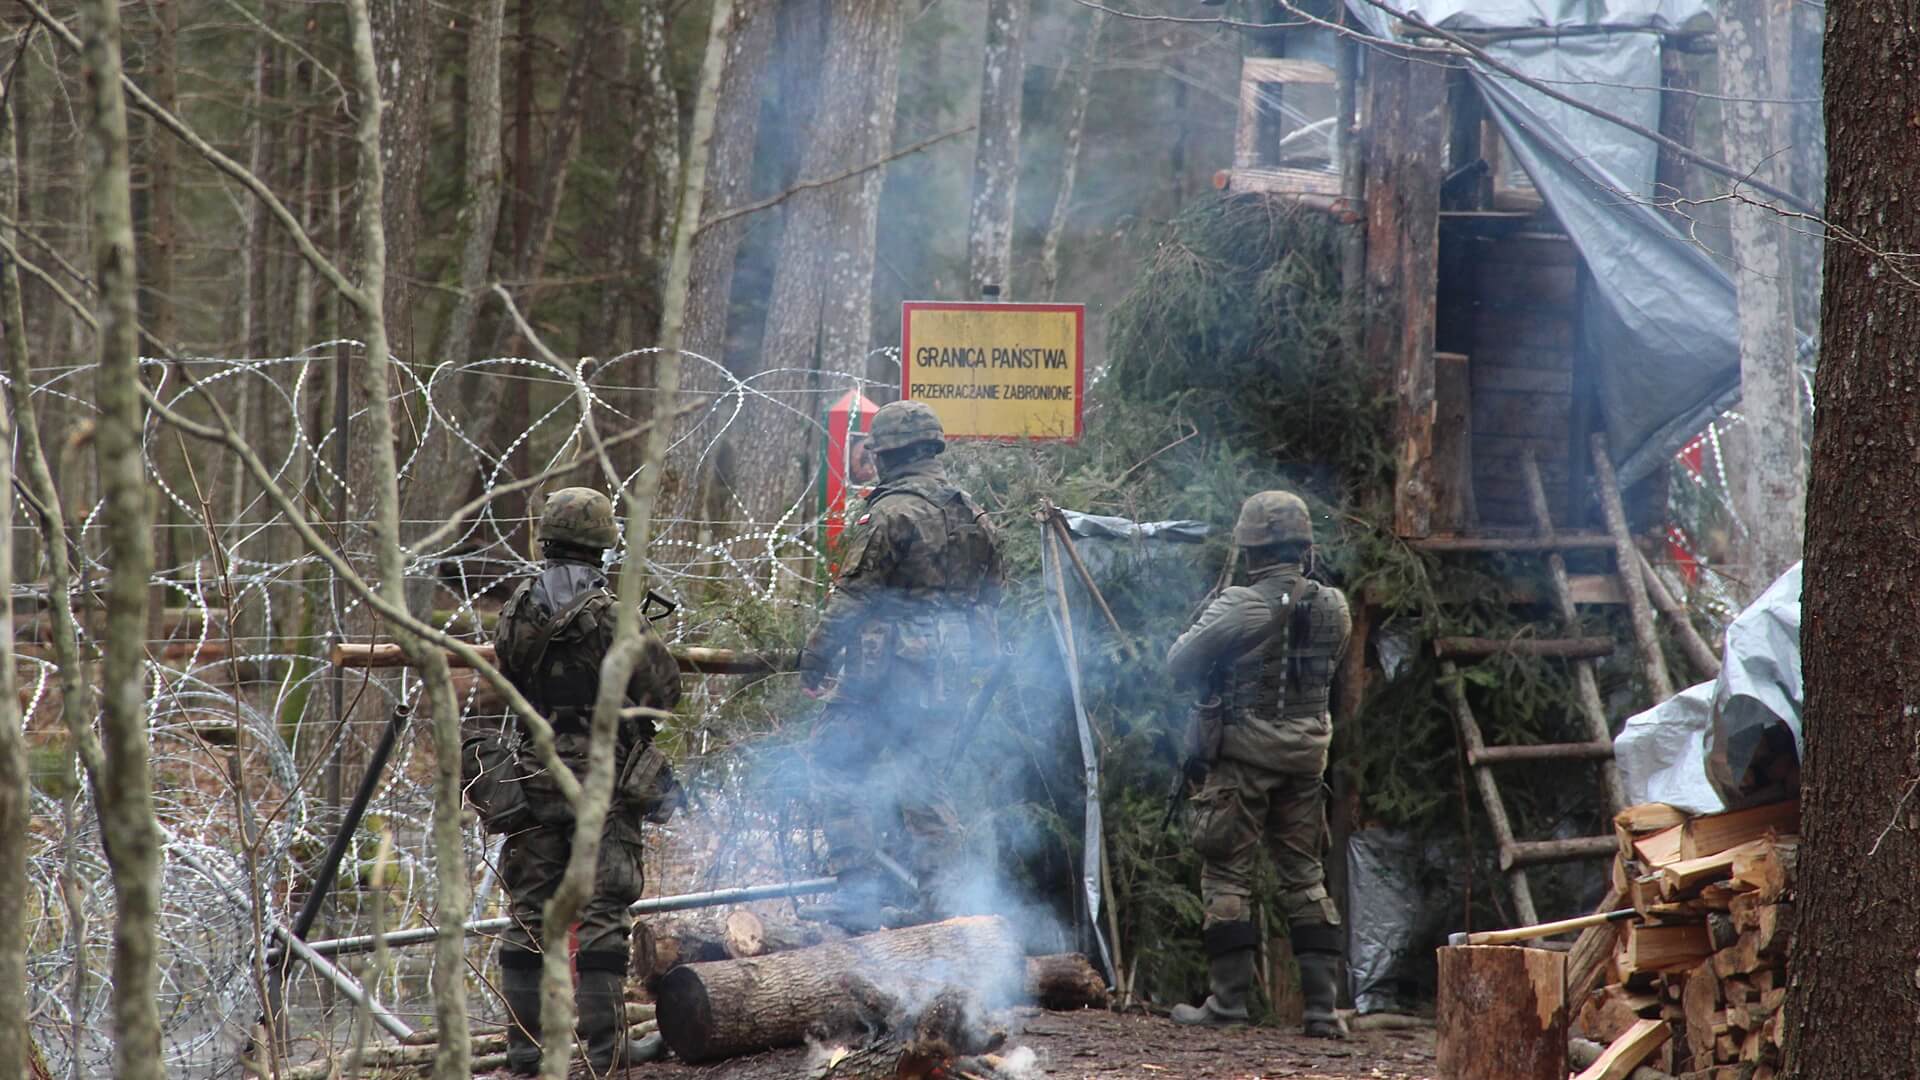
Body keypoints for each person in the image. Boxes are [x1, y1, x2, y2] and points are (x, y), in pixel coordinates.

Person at [461, 487, 682, 1074]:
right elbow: (662, 696)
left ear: (547, 539)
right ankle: (608, 1054)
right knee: (605, 910)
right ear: (602, 545)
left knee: (530, 914)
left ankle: (522, 1055)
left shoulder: (516, 609)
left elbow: (504, 685)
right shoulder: (614, 614)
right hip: (603, 780)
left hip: (534, 770)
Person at [798, 400, 1005, 929]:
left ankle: (858, 896)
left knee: (833, 760)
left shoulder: (889, 513)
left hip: (888, 669)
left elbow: (854, 597)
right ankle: (946, 908)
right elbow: (992, 596)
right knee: (923, 782)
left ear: (887, 454)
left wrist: (817, 656)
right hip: (951, 668)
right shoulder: (974, 514)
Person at [1165, 490, 1352, 1038]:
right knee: (1306, 876)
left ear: (1250, 549)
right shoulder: (1335, 605)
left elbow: (1178, 664)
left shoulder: (1240, 605)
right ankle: (1322, 1012)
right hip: (1306, 757)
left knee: (1226, 873)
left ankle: (1227, 1005)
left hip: (1243, 757)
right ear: (1304, 547)